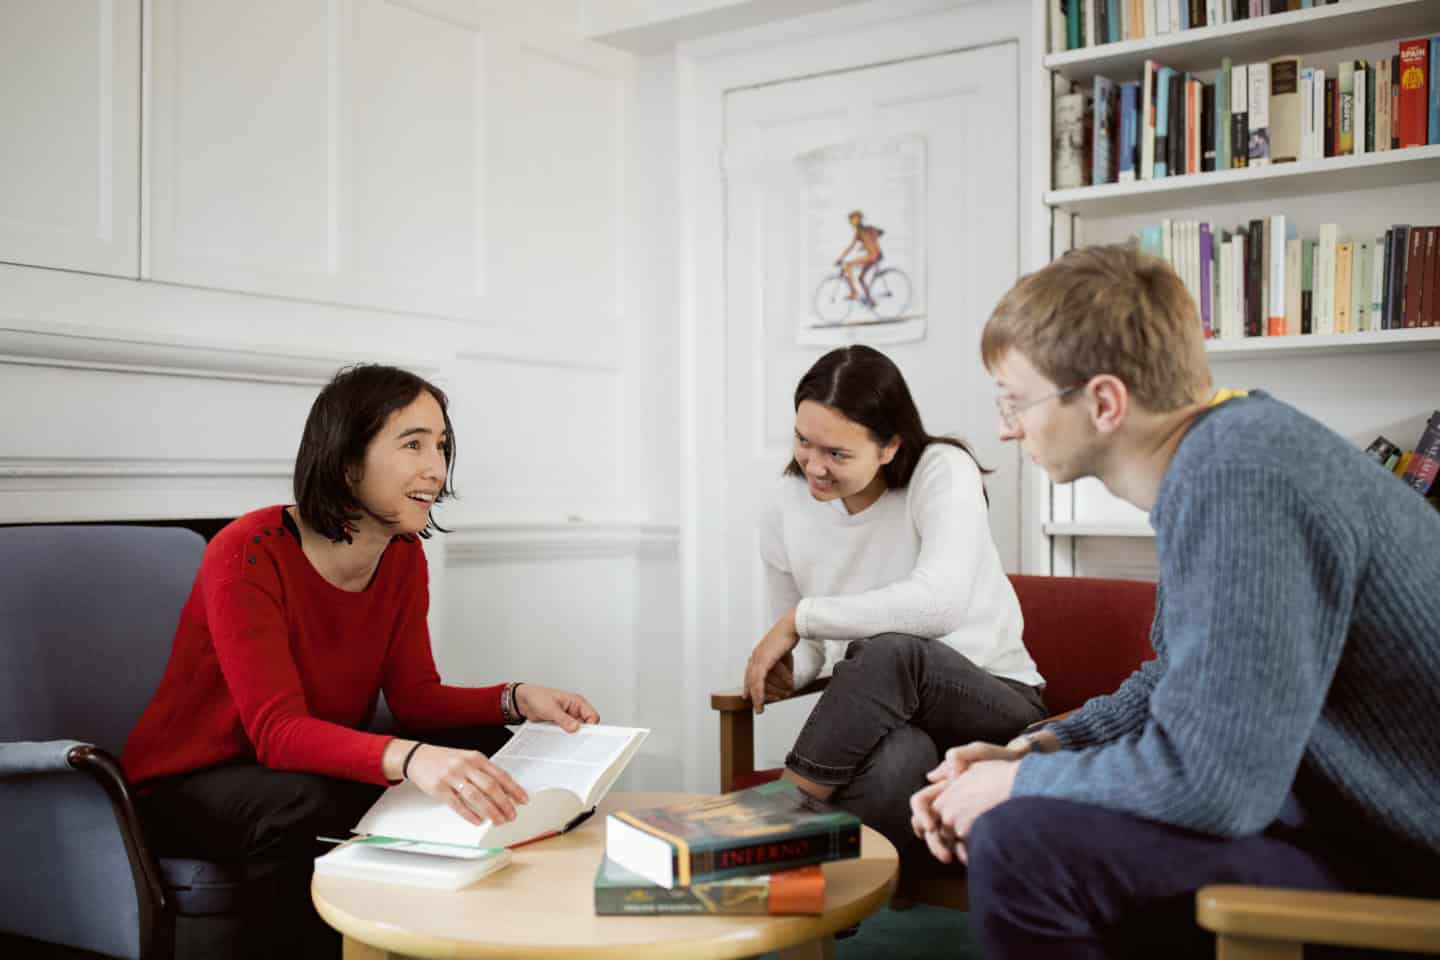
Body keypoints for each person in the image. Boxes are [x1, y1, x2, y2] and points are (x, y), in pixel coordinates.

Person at [909, 244, 1440, 958]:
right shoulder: (1233, 451)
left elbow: (1216, 783)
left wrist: (1019, 785)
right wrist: (1040, 746)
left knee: (1024, 842)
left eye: (1016, 400)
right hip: (1352, 827)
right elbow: (1177, 678)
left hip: (1404, 862)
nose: (1007, 428)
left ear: (1103, 401)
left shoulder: (1239, 473)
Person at [122, 364, 599, 954]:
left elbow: (417, 700)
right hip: (188, 782)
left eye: (442, 446)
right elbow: (276, 733)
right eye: (413, 444)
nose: (436, 468)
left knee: (491, 747)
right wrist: (413, 760)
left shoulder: (402, 558)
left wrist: (517, 698)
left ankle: (485, 936)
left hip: (302, 767)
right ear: (348, 462)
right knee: (310, 804)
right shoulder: (247, 552)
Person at [743, 344, 1045, 853]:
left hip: (994, 699)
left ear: (888, 447)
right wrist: (791, 670)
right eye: (803, 441)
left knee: (891, 649)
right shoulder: (784, 507)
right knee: (899, 761)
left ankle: (768, 832)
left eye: (837, 454)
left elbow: (939, 605)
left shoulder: (942, 470)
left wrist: (802, 618)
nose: (814, 467)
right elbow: (812, 646)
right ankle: (814, 910)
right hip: (892, 717)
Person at [835, 210, 885, 305]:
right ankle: (871, 300)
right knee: (861, 278)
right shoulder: (869, 229)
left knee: (848, 265)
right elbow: (881, 232)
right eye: (851, 220)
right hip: (877, 256)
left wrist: (840, 258)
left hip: (872, 256)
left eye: (853, 220)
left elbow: (850, 247)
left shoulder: (862, 231)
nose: (851, 222)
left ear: (858, 220)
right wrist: (868, 243)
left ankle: (854, 292)